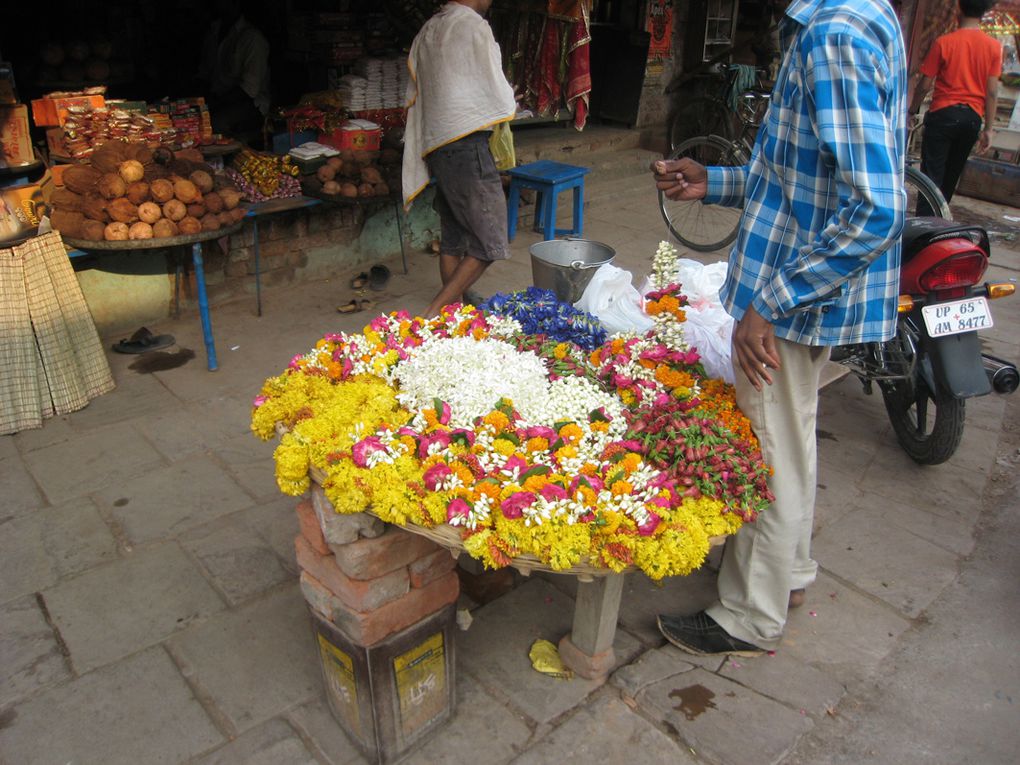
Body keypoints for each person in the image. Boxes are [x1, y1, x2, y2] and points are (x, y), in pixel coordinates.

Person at [651, 0, 906, 656]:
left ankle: (748, 613)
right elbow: (801, 178)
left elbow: (876, 209)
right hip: (809, 289)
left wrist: (771, 301)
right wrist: (714, 182)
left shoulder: (832, 34)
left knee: (765, 447)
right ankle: (785, 572)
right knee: (788, 435)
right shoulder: (856, 16)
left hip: (794, 296)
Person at [402, 0, 517, 318]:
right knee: (490, 241)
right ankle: (436, 309)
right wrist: (511, 101)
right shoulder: (473, 26)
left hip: (440, 145)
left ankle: (454, 310)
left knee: (453, 237)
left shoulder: (430, 28)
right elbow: (494, 91)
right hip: (467, 146)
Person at [910, 0, 1001, 215]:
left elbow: (925, 84)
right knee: (951, 178)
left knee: (931, 176)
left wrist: (912, 110)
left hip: (943, 115)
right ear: (985, 11)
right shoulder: (993, 47)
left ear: (958, 9)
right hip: (971, 119)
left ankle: (925, 227)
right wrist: (988, 128)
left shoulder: (944, 42)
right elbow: (992, 92)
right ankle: (941, 221)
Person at [198, 0, 271, 138]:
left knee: (214, 123)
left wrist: (214, 104)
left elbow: (248, 91)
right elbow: (205, 74)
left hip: (251, 105)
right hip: (219, 99)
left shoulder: (252, 39)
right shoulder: (213, 32)